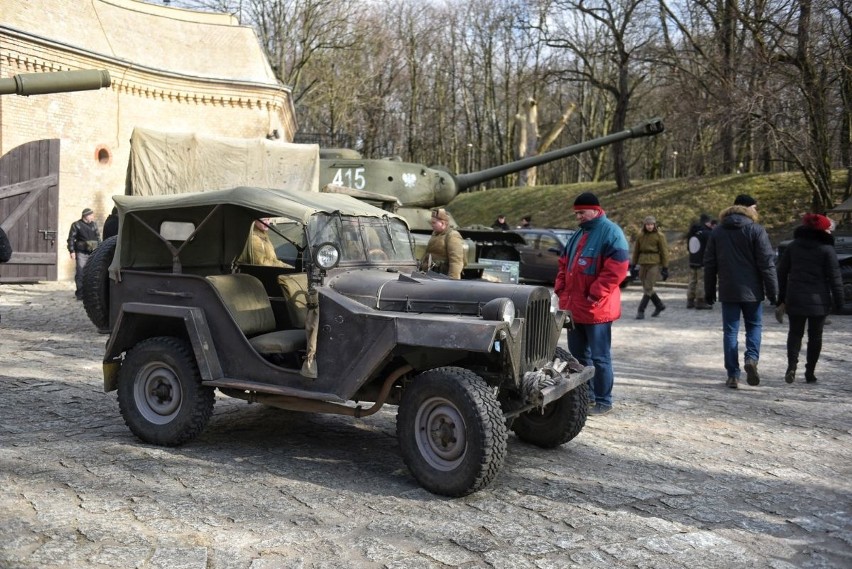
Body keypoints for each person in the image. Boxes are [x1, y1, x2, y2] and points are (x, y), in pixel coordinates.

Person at [554, 192, 629, 415]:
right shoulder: (578, 234)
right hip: (575, 308)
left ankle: (604, 400)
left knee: (600, 357)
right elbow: (563, 263)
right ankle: (587, 396)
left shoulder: (611, 233)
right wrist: (560, 288)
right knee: (578, 357)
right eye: (576, 213)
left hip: (597, 310)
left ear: (595, 210)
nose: (578, 216)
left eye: (581, 212)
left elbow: (617, 269)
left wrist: (594, 294)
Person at [704, 194, 778, 389]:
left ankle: (732, 375)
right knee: (754, 326)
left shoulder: (718, 232)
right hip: (752, 290)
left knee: (730, 331)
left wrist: (709, 290)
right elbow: (767, 264)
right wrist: (773, 291)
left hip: (728, 290)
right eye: (755, 207)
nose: (757, 211)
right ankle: (751, 359)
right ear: (748, 209)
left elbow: (710, 264)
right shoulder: (756, 230)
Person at [776, 213, 844, 384]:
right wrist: (840, 302)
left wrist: (781, 298)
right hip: (819, 300)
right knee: (815, 336)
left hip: (796, 296)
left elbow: (781, 272)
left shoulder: (793, 247)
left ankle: (791, 366)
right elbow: (835, 278)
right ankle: (810, 372)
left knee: (795, 333)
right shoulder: (826, 249)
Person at [631, 215, 669, 319]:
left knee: (648, 287)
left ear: (654, 225)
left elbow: (664, 252)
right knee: (647, 287)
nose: (650, 226)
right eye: (648, 224)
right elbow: (636, 251)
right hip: (643, 262)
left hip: (654, 263)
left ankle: (641, 310)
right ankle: (659, 305)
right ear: (644, 225)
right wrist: (633, 264)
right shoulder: (640, 236)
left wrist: (665, 267)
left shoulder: (659, 236)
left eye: (651, 224)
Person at [420, 208, 465, 279]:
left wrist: (453, 280)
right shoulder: (435, 234)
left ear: (443, 223)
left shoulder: (452, 236)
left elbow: (456, 261)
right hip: (431, 275)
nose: (432, 225)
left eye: (434, 223)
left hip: (443, 277)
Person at [67, 208, 101, 300]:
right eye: (91, 215)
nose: (93, 217)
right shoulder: (76, 225)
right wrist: (72, 251)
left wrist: (100, 249)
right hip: (81, 252)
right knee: (81, 273)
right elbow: (71, 239)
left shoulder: (94, 225)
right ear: (86, 216)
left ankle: (91, 293)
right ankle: (80, 294)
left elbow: (98, 237)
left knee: (93, 273)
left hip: (93, 252)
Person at [685, 213, 715, 309]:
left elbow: (688, 247)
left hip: (692, 260)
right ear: (708, 222)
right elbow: (711, 248)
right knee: (702, 281)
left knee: (692, 280)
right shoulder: (707, 233)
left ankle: (690, 300)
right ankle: (700, 301)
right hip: (703, 261)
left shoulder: (692, 232)